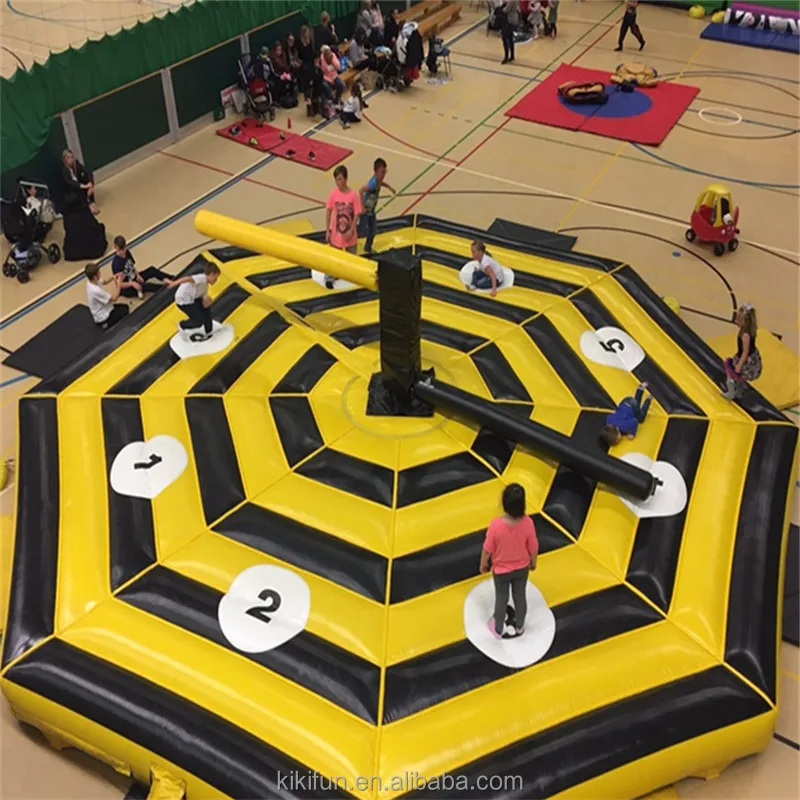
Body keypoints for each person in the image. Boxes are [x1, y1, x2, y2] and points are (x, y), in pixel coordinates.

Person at [479, 483, 538, 640]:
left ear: (504, 504)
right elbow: (533, 546)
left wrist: (483, 564)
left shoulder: (496, 526)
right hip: (521, 569)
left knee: (501, 599)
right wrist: (533, 561)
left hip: (501, 571)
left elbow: (487, 548)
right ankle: (520, 626)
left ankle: (498, 629)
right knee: (520, 597)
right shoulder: (528, 523)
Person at [324, 165, 362, 289]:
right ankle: (329, 277)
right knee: (333, 257)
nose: (338, 182)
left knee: (352, 259)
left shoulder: (353, 195)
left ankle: (351, 275)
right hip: (337, 234)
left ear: (346, 179)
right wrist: (328, 230)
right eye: (336, 180)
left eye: (340, 179)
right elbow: (329, 211)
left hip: (350, 234)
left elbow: (357, 213)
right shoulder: (333, 194)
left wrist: (351, 230)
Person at [165, 262, 221, 341]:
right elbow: (187, 279)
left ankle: (209, 331)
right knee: (198, 321)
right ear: (211, 274)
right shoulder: (202, 278)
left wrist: (208, 303)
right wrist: (174, 283)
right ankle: (182, 325)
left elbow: (205, 303)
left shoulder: (205, 285)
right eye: (215, 279)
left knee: (207, 310)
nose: (216, 281)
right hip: (183, 300)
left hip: (193, 298)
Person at [721, 304, 762, 399]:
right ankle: (739, 392)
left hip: (746, 360)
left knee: (731, 372)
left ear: (746, 322)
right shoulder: (749, 330)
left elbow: (745, 352)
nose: (737, 322)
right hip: (749, 356)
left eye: (740, 320)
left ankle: (731, 392)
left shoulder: (745, 335)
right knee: (739, 376)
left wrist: (739, 365)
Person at [359, 157, 396, 254]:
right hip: (366, 210)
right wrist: (362, 207)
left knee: (372, 229)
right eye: (382, 172)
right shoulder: (373, 183)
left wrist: (390, 187)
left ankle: (367, 247)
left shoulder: (378, 180)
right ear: (375, 172)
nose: (383, 175)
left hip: (371, 209)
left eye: (385, 172)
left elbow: (381, 183)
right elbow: (361, 190)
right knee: (363, 229)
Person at [598, 382, 652, 447]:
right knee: (636, 402)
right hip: (625, 401)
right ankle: (640, 389)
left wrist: (632, 434)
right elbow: (609, 416)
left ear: (618, 430)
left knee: (641, 418)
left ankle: (648, 399)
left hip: (632, 406)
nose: (619, 441)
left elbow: (634, 421)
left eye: (617, 440)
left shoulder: (624, 426)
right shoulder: (608, 421)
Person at [85, 262, 128, 330]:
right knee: (125, 310)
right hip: (102, 317)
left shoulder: (91, 281)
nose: (100, 273)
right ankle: (105, 324)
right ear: (95, 276)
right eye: (98, 272)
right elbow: (114, 298)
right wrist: (119, 284)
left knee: (124, 306)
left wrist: (114, 276)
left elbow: (105, 282)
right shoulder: (96, 291)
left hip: (106, 307)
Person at [62, 149, 98, 215]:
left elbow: (87, 171)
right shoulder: (63, 170)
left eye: (72, 157)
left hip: (80, 185)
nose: (71, 159)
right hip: (70, 190)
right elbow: (70, 182)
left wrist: (90, 184)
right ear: (64, 159)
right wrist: (83, 186)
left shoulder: (76, 163)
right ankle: (88, 205)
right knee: (78, 190)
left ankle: (92, 202)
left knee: (87, 182)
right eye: (68, 158)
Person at [296, 26, 316, 95]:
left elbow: (311, 51)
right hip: (304, 61)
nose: (308, 33)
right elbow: (299, 54)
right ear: (303, 33)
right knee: (306, 69)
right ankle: (306, 90)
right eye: (307, 32)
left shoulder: (309, 40)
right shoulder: (299, 42)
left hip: (311, 60)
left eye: (308, 32)